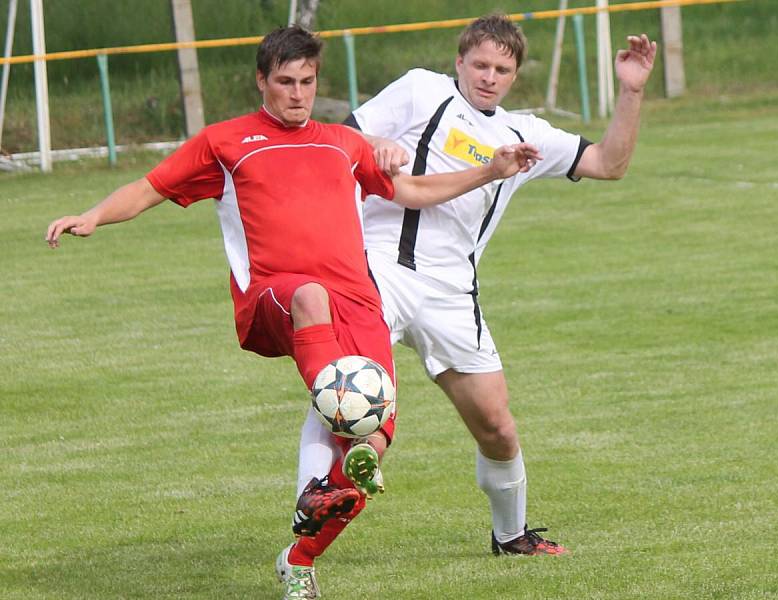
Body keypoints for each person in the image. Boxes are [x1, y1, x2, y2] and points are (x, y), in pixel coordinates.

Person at [45, 25, 540, 599]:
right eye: (285, 82)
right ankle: (330, 428)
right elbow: (151, 187)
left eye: (307, 82)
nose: (297, 94)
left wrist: (488, 170)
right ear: (262, 80)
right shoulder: (226, 143)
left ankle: (300, 556)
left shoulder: (342, 142)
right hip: (278, 295)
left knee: (372, 445)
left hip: (357, 299)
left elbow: (411, 191)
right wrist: (93, 216)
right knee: (317, 313)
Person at [330, 14, 655, 556]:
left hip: (454, 295)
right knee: (358, 390)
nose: (489, 76)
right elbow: (341, 137)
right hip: (379, 268)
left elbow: (609, 162)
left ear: (514, 76)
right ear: (459, 62)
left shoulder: (523, 134)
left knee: (498, 429)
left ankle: (512, 537)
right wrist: (377, 143)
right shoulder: (420, 90)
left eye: (502, 69)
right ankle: (320, 494)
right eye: (480, 64)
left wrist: (630, 91)